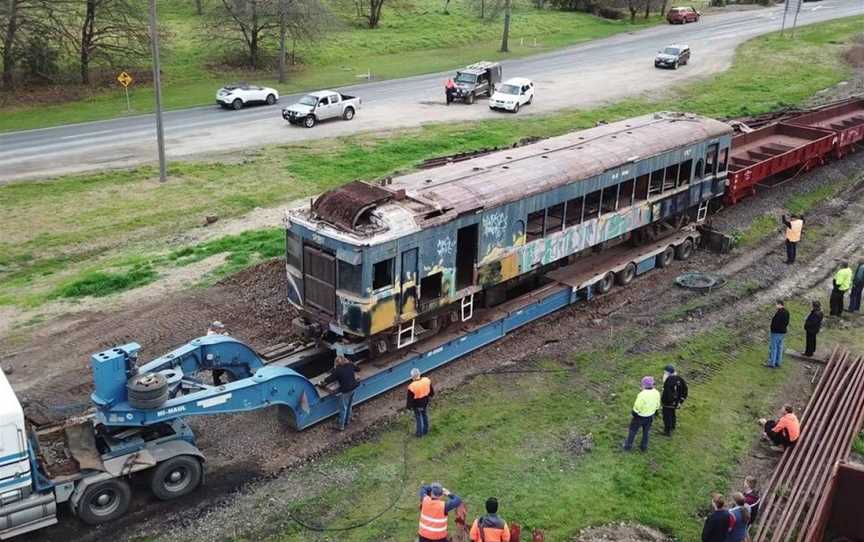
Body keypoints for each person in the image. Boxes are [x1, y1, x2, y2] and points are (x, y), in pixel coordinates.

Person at [320, 356, 359, 431]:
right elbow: (358, 369)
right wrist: (351, 363)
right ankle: (347, 420)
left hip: (345, 390)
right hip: (354, 387)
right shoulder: (350, 365)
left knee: (343, 408)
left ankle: (341, 426)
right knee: (349, 405)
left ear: (337, 363)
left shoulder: (338, 370)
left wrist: (322, 382)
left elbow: (329, 379)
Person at [623, 376, 661, 452]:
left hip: (640, 417)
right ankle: (643, 447)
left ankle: (627, 446)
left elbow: (637, 406)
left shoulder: (642, 394)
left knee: (632, 431)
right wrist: (655, 411)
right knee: (646, 432)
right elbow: (657, 404)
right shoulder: (656, 392)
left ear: (643, 385)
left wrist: (634, 413)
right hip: (650, 416)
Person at [661, 364, 688, 436]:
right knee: (672, 413)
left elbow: (667, 392)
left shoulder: (668, 380)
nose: (664, 374)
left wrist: (664, 401)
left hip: (668, 402)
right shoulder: (680, 379)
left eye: (665, 372)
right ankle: (673, 426)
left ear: (667, 372)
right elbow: (685, 390)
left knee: (667, 416)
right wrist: (680, 401)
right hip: (676, 402)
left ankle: (667, 431)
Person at [407, 368, 435, 438]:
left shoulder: (411, 386)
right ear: (419, 374)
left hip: (417, 405)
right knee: (424, 415)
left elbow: (410, 399)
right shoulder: (427, 380)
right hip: (425, 402)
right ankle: (425, 431)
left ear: (412, 377)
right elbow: (431, 392)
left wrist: (409, 407)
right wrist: (431, 395)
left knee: (419, 418)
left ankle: (419, 434)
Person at [766, 300, 789, 368]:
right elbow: (787, 322)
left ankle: (771, 363)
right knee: (779, 347)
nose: (775, 306)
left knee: (773, 347)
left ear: (779, 304)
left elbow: (776, 323)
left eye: (776, 304)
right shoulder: (787, 312)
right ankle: (778, 362)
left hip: (776, 332)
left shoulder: (779, 313)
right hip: (783, 332)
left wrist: (772, 329)